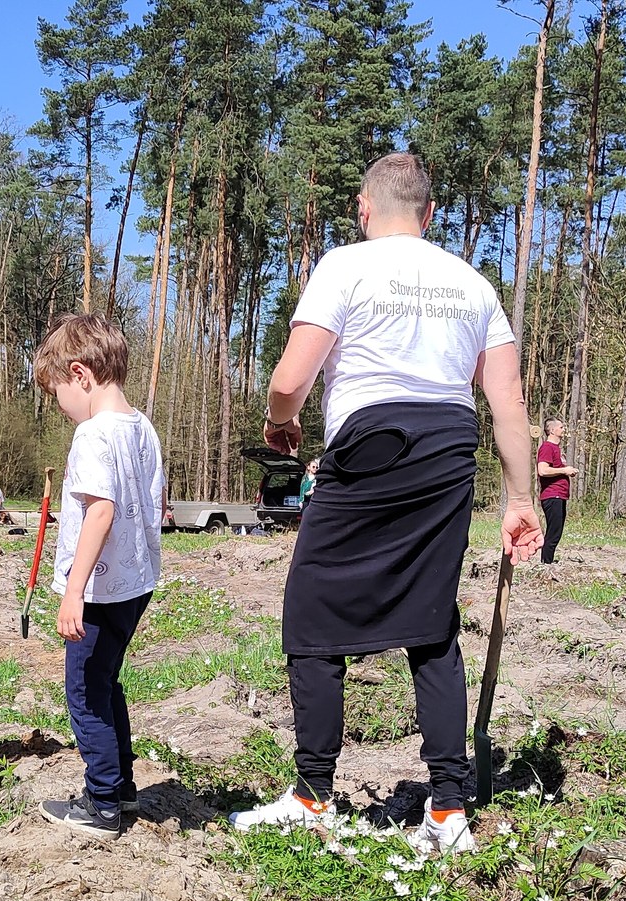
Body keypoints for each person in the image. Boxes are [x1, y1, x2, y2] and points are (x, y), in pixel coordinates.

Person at [229, 152, 541, 855]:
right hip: (448, 451)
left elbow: (289, 379)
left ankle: (312, 796)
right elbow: (509, 406)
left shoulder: (346, 265)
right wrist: (521, 498)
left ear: (364, 209)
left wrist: (282, 420)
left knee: (311, 612)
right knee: (431, 626)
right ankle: (447, 810)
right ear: (430, 215)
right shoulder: (474, 284)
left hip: (371, 442)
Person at [32, 314, 165, 838]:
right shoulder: (141, 426)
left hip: (99, 590)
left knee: (85, 691)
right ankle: (124, 787)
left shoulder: (92, 434)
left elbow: (101, 512)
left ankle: (102, 801)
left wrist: (73, 593)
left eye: (57, 392)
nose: (60, 406)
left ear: (80, 374)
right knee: (106, 680)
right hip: (136, 582)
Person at [536, 418, 578, 565]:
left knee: (556, 531)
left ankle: (547, 561)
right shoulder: (547, 447)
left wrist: (567, 471)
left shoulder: (557, 449)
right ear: (552, 430)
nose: (563, 429)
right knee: (554, 532)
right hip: (552, 495)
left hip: (559, 495)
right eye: (561, 427)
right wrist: (564, 470)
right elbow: (542, 470)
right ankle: (545, 563)